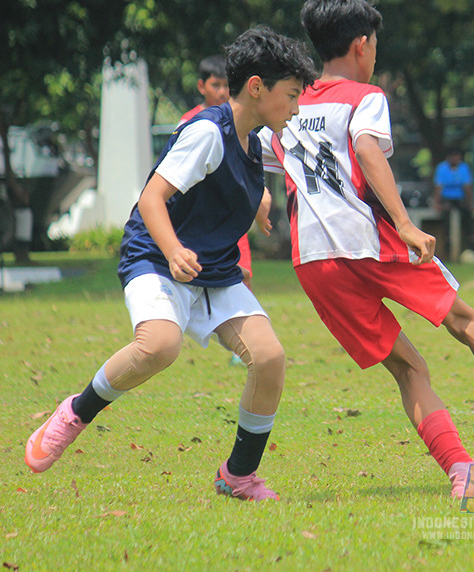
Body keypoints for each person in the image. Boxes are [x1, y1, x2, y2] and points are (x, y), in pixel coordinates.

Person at [257, 0, 474, 497]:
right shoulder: (364, 97)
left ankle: (461, 474)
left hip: (315, 262)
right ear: (362, 44)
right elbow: (367, 149)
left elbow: (254, 157)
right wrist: (406, 224)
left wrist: (257, 201)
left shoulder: (288, 105)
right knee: (465, 320)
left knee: (408, 367)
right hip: (371, 242)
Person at [24, 26, 318, 501]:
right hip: (158, 259)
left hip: (213, 268)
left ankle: (238, 475)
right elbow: (151, 198)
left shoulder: (254, 143)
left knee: (269, 358)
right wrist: (175, 250)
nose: (296, 107)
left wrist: (260, 201)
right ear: (258, 87)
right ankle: (76, 412)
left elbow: (241, 183)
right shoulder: (206, 132)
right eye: (291, 95)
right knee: (159, 346)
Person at [178, 55, 256, 294]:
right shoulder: (188, 123)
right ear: (202, 86)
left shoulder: (239, 123)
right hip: (202, 219)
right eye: (216, 85)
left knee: (243, 278)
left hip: (231, 215)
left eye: (227, 86)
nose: (222, 92)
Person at [433, 146, 474, 255]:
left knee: (467, 213)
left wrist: (470, 203)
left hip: (459, 198)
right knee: (445, 214)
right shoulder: (442, 168)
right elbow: (439, 187)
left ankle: (470, 240)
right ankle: (447, 242)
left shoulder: (463, 168)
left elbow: (467, 187)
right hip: (446, 198)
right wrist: (437, 203)